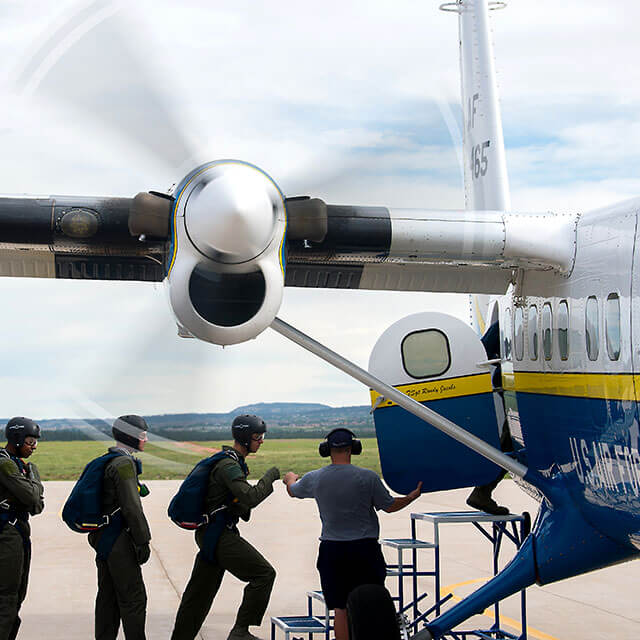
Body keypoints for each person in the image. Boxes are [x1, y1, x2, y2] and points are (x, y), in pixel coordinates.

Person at [283, 428, 422, 640]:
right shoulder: (368, 477)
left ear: (327, 450)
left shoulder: (316, 478)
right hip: (365, 550)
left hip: (333, 550)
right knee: (371, 604)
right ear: (353, 449)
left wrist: (290, 478)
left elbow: (293, 490)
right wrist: (411, 497)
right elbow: (390, 506)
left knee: (340, 608)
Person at [171, 414, 280, 640]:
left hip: (212, 534)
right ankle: (240, 631)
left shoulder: (230, 462)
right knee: (264, 574)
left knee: (197, 597)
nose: (261, 441)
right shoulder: (229, 465)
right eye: (258, 436)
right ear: (245, 437)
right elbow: (250, 497)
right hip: (217, 535)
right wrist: (271, 477)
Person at [89, 415, 151, 640]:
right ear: (131, 437)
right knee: (133, 598)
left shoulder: (110, 459)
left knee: (108, 597)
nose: (146, 440)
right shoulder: (124, 464)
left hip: (104, 538)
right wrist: (143, 540)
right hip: (118, 541)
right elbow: (132, 508)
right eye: (143, 435)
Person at [0, 417, 44, 640]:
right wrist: (34, 475)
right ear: (16, 439)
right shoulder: (5, 463)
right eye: (30, 442)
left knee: (17, 595)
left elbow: (37, 506)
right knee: (7, 598)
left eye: (35, 442)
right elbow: (32, 496)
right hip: (7, 536)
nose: (33, 447)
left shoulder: (16, 463)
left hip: (17, 534)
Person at [466, 321, 513, 515]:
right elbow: (482, 350)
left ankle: (483, 491)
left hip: (518, 385)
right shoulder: (505, 324)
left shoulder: (505, 324)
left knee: (511, 440)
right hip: (514, 386)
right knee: (511, 442)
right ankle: (482, 491)